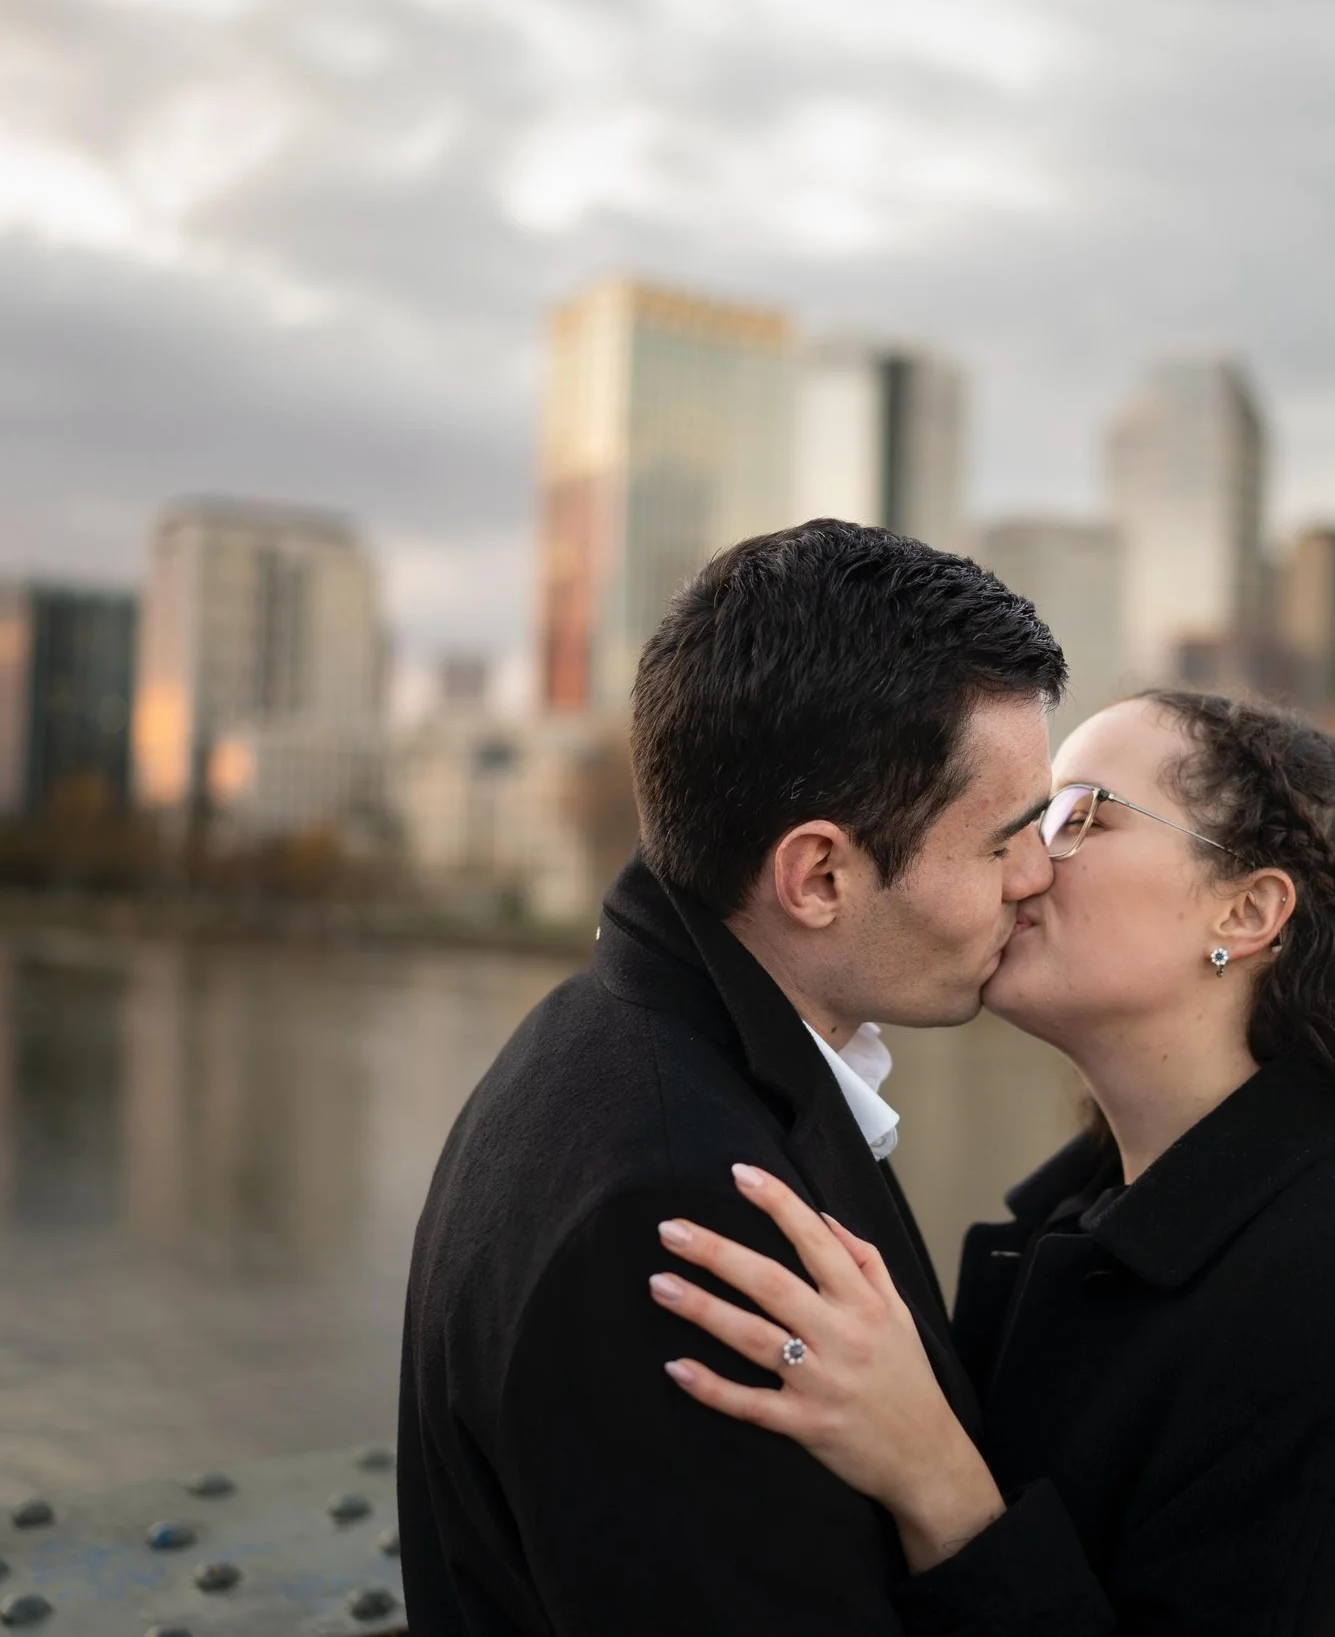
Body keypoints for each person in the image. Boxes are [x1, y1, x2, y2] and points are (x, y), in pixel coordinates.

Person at [650, 690, 1335, 1635]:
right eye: (1026, 820)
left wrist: (935, 1478)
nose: (1019, 864)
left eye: (1079, 816)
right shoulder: (1086, 1219)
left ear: (1249, 909)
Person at [397, 520, 1095, 1635]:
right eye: (1004, 837)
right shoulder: (681, 1214)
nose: (1038, 874)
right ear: (816, 874)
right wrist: (952, 1493)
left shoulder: (620, 1037)